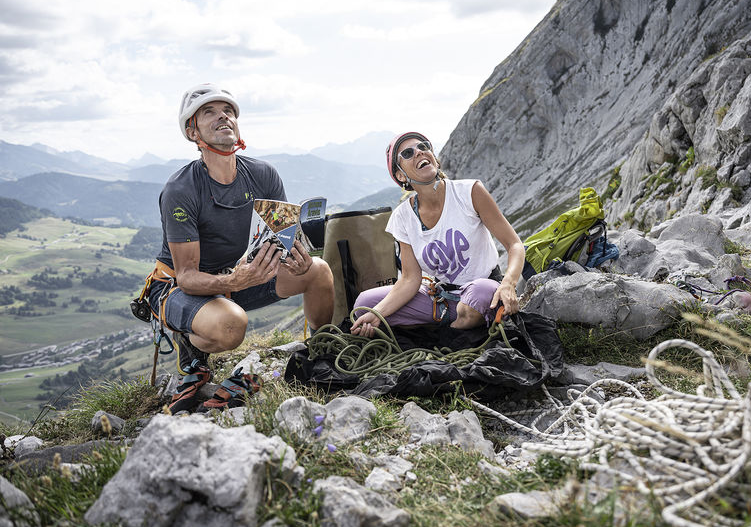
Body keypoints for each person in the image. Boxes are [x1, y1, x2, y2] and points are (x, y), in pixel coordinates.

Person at [148, 83, 334, 410]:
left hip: (238, 274)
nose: (223, 116)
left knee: (318, 271)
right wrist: (234, 281)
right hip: (178, 286)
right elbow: (187, 276)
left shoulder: (263, 175)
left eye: (228, 111)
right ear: (192, 132)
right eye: (209, 112)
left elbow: (281, 240)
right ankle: (191, 347)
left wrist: (297, 260)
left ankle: (321, 351)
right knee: (231, 325)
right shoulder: (181, 189)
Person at [350, 131, 523, 338]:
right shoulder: (403, 217)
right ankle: (452, 326)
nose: (419, 152)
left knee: (480, 294)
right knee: (364, 305)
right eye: (408, 153)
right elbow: (409, 279)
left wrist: (508, 283)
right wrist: (377, 313)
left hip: (482, 291)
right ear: (401, 176)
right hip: (441, 298)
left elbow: (514, 245)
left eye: (423, 146)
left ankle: (440, 334)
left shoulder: (470, 192)